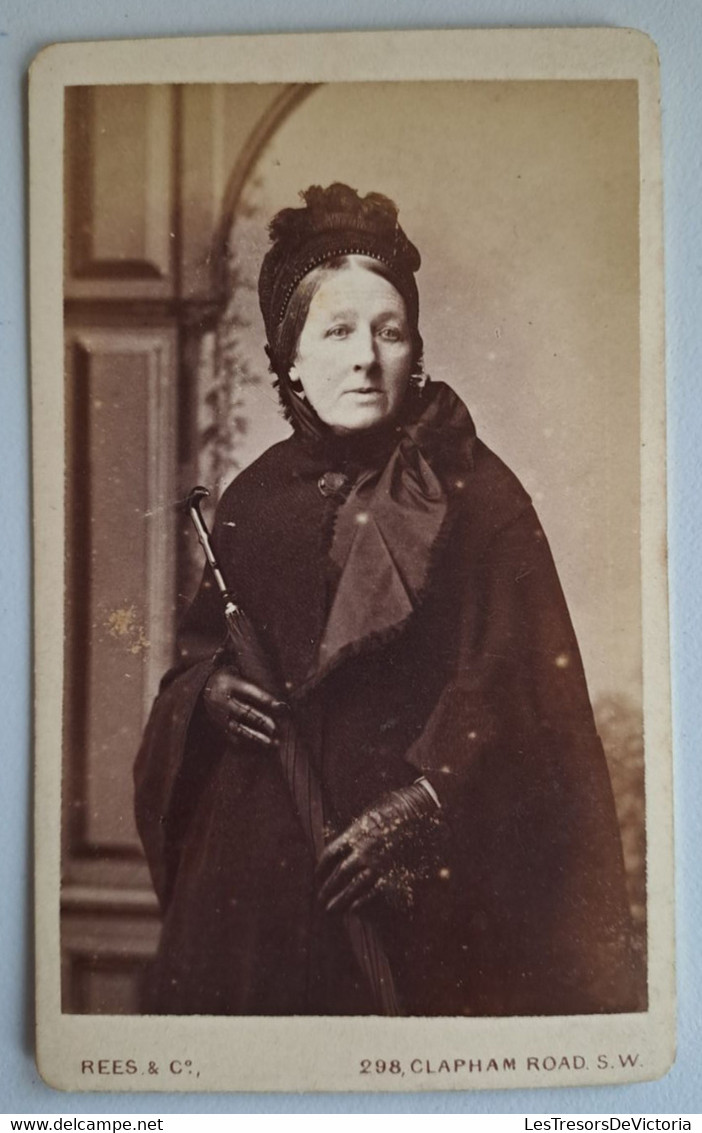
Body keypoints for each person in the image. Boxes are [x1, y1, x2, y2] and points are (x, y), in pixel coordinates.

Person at [134, 182, 638, 1017]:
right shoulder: (251, 503)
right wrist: (209, 695)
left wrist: (425, 800)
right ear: (289, 356)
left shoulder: (482, 497)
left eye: (389, 330)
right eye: (337, 331)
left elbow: (523, 687)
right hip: (253, 905)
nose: (367, 356)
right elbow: (193, 664)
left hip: (423, 901)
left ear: (416, 347)